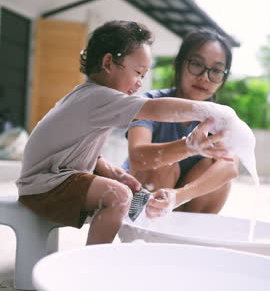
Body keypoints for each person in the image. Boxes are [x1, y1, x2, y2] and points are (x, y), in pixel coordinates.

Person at [16, 20, 235, 245]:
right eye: (138, 73)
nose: (140, 83)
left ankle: (157, 238)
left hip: (51, 180)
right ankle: (95, 263)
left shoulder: (90, 98)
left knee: (129, 190)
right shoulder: (98, 97)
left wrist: (113, 172)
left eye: (216, 70)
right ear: (109, 62)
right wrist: (205, 113)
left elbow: (73, 149)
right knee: (118, 196)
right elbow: (154, 110)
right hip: (45, 185)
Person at [123, 28, 239, 216]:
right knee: (165, 163)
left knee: (216, 169)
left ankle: (186, 235)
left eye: (216, 70)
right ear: (177, 64)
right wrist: (189, 147)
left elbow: (230, 167)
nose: (204, 76)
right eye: (196, 64)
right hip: (139, 200)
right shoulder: (151, 103)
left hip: (182, 203)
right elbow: (137, 157)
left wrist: (178, 196)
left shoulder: (221, 117)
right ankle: (146, 234)